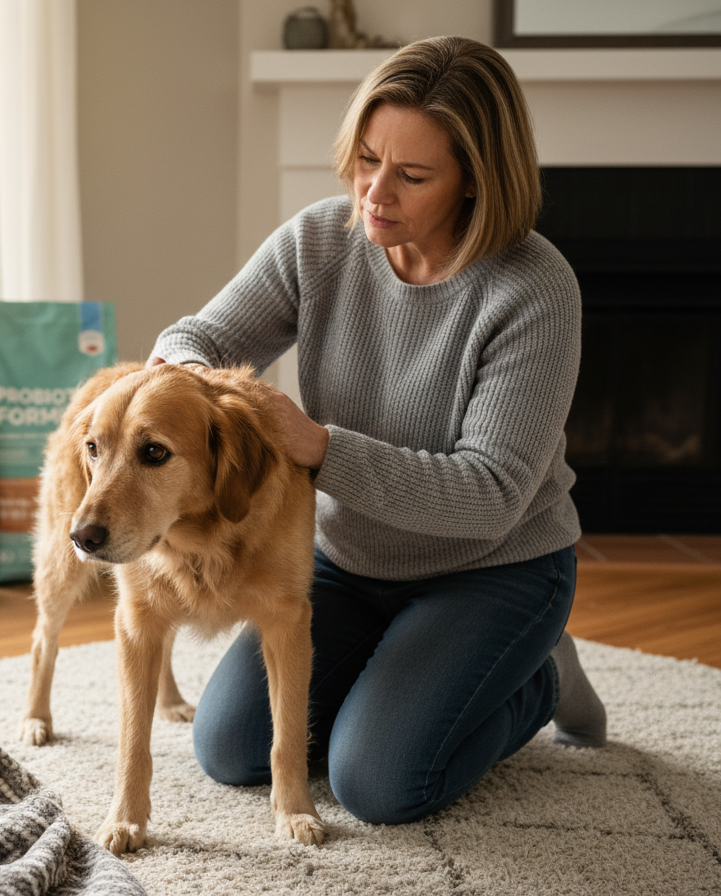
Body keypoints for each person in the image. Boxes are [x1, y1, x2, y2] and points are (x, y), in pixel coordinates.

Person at [147, 35, 607, 826]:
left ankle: (538, 678)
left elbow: (491, 493)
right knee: (231, 751)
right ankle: (411, 677)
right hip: (348, 559)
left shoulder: (535, 289)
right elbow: (196, 339)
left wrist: (319, 447)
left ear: (475, 182)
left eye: (412, 175)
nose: (374, 193)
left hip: (493, 568)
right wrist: (186, 383)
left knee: (379, 785)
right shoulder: (320, 242)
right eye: (366, 159)